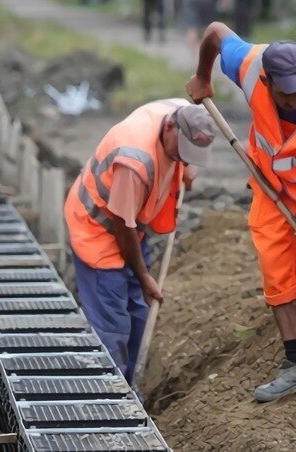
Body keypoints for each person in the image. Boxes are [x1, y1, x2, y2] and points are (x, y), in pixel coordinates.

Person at [186, 22, 296, 402]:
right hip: (272, 188)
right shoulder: (248, 65)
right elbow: (215, 32)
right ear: (266, 82)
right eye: (287, 96)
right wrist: (202, 77)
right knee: (276, 270)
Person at [64, 99, 215, 382]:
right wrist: (144, 275)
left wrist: (189, 166)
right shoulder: (133, 162)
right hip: (98, 229)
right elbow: (123, 226)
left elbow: (194, 108)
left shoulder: (181, 112)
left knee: (139, 313)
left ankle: (131, 384)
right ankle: (109, 395)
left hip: (132, 224)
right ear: (170, 126)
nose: (182, 158)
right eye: (181, 151)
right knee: (112, 325)